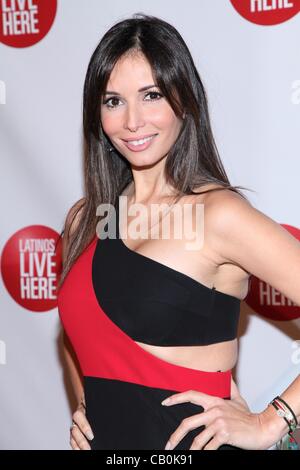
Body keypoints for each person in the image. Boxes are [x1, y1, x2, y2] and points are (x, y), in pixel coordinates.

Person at [57, 13, 300, 450]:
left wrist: (271, 421)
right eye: (113, 101)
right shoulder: (85, 220)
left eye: (151, 95)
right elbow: (77, 340)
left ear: (184, 101)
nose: (132, 121)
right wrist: (85, 404)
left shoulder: (218, 215)